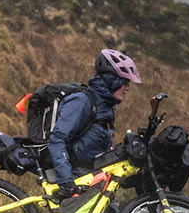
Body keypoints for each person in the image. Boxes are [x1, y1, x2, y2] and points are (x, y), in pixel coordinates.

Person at [47, 48, 140, 198]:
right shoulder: (82, 101)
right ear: (112, 80)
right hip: (76, 180)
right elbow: (57, 139)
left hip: (94, 180)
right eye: (125, 82)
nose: (128, 88)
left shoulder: (106, 107)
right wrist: (66, 181)